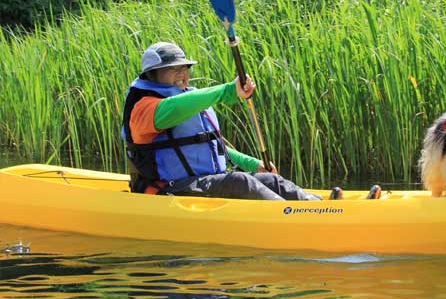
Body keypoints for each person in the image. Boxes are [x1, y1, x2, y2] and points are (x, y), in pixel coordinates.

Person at [121, 41, 321, 201]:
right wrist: (227, 91)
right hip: (167, 189)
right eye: (173, 69)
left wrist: (251, 163)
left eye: (184, 67)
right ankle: (291, 217)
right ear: (151, 74)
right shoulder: (144, 109)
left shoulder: (188, 98)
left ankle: (316, 205)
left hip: (200, 183)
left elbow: (215, 147)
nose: (182, 73)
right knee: (239, 181)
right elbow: (175, 108)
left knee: (270, 179)